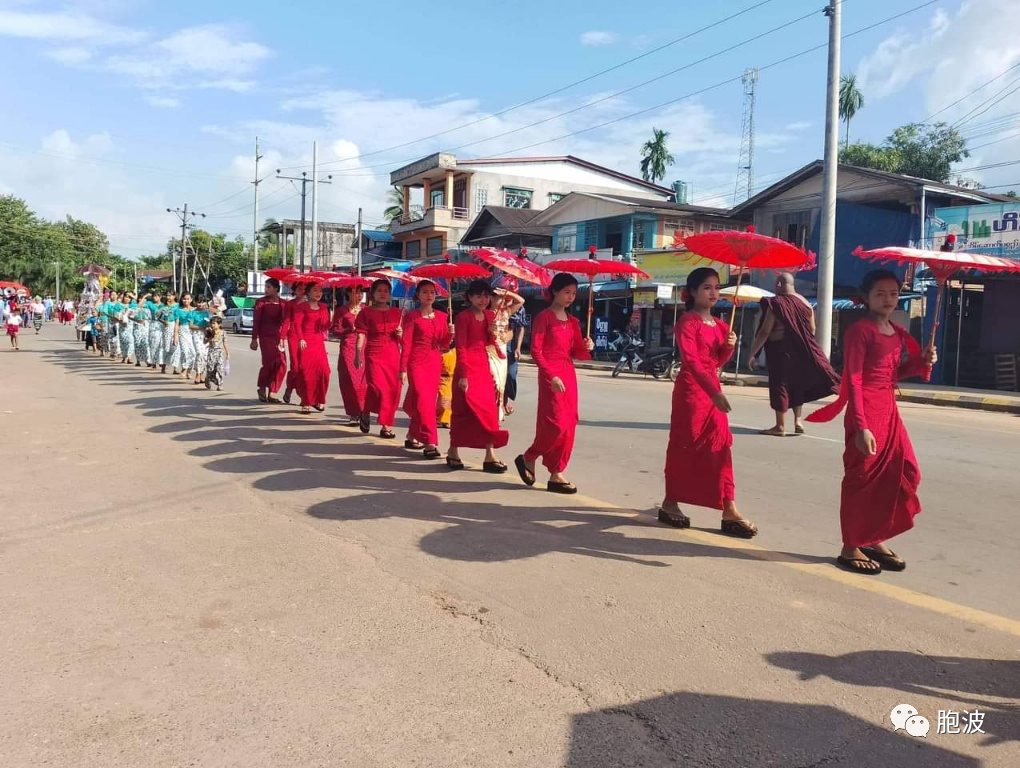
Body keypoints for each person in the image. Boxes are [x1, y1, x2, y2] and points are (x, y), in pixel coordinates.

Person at [806, 270, 936, 575]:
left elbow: (894, 373)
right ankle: (850, 545)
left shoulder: (896, 331)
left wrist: (922, 362)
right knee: (862, 479)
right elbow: (853, 377)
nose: (888, 299)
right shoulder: (860, 331)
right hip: (866, 410)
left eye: (893, 293)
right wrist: (862, 426)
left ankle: (873, 536)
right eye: (880, 293)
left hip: (889, 410)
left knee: (902, 472)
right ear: (866, 297)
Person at [660, 267, 758, 538]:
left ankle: (729, 507)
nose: (713, 292)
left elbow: (718, 362)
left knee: (721, 446)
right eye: (707, 287)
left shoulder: (722, 325)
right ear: (692, 292)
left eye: (716, 287)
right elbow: (691, 362)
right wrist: (712, 392)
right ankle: (670, 501)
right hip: (692, 391)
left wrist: (729, 345)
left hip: (713, 389)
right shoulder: (687, 323)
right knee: (685, 445)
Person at [514, 273, 594, 494]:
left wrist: (587, 345)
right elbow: (536, 352)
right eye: (566, 292)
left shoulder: (574, 321)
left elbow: (577, 352)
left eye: (573, 293)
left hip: (568, 374)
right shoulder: (544, 317)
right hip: (552, 375)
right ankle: (529, 456)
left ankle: (556, 472)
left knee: (569, 425)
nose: (570, 297)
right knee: (555, 424)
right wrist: (551, 376)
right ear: (555, 292)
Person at [747, 272, 839, 436]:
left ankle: (780, 426)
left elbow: (765, 331)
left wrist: (753, 353)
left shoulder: (777, 303)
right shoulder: (806, 303)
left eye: (776, 284)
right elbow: (812, 329)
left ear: (780, 285)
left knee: (780, 385)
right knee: (797, 385)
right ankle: (798, 420)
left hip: (781, 351)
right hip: (801, 351)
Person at [447, 280, 509, 472]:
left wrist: (491, 333)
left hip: (483, 367)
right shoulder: (463, 317)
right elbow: (461, 347)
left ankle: (490, 454)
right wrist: (463, 376)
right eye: (478, 296)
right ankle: (453, 451)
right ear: (470, 297)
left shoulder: (490, 315)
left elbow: (490, 343)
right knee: (463, 411)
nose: (483, 300)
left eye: (485, 295)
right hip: (466, 368)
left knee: (488, 411)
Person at [400, 280, 452, 459]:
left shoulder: (442, 317)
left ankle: (411, 435)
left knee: (426, 402)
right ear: (418, 295)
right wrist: (403, 368)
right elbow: (406, 344)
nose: (429, 295)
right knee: (424, 401)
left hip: (434, 362)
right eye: (425, 292)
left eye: (432, 292)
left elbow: (444, 345)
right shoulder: (411, 316)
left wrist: (450, 334)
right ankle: (430, 442)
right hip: (416, 363)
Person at [354, 279, 403, 438]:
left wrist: (401, 335)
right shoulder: (365, 313)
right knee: (377, 387)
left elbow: (405, 340)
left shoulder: (398, 313)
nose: (383, 294)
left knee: (393, 390)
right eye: (379, 290)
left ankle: (386, 426)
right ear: (373, 294)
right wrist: (357, 353)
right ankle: (366, 411)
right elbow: (361, 334)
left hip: (393, 354)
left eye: (386, 291)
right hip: (374, 353)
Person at [287, 282, 332, 414]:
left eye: (320, 291)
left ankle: (319, 399)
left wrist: (331, 319)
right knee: (306, 374)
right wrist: (301, 338)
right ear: (308, 292)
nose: (318, 293)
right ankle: (306, 402)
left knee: (324, 372)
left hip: (318, 342)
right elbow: (297, 324)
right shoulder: (302, 307)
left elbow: (324, 327)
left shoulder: (323, 307)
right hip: (305, 342)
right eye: (315, 290)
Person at [331, 284, 367, 425]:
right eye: (354, 292)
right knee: (351, 382)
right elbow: (335, 331)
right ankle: (353, 412)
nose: (358, 295)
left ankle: (364, 410)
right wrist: (348, 329)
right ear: (347, 294)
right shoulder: (341, 311)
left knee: (363, 382)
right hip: (348, 347)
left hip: (364, 347)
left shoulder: (366, 310)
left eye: (360, 292)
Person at [486, 287, 519, 422]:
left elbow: (521, 301)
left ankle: (498, 411)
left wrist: (508, 293)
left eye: (503, 298)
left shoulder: (506, 312)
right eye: (499, 297)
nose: (502, 300)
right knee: (493, 381)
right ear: (491, 298)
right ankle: (489, 411)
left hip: (503, 349)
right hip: (489, 350)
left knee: (501, 383)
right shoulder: (486, 313)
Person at [251, 278, 286, 403]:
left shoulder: (283, 303)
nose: (266, 289)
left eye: (269, 287)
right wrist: (254, 339)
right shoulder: (261, 302)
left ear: (276, 288)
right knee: (269, 363)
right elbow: (256, 322)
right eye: (265, 287)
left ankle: (272, 392)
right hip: (265, 336)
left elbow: (286, 320)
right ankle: (261, 388)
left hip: (278, 337)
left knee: (282, 363)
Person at [282, 282, 309, 404]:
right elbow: (287, 321)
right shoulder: (290, 304)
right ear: (295, 290)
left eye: (304, 289)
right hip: (294, 336)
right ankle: (289, 388)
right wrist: (282, 337)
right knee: (296, 366)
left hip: (308, 336)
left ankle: (305, 395)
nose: (302, 291)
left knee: (306, 367)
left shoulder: (311, 304)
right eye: (299, 289)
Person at [505, 304, 527, 416]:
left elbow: (520, 327)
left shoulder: (519, 307)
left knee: (511, 374)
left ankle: (505, 399)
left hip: (510, 346)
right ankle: (502, 403)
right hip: (494, 344)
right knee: (496, 377)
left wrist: (518, 347)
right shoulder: (493, 303)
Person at [171, 293, 196, 378]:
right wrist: (175, 336)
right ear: (181, 299)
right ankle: (184, 369)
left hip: (193, 332)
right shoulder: (178, 310)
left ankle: (189, 371)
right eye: (184, 299)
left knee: (193, 353)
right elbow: (177, 324)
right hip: (183, 331)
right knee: (185, 351)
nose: (186, 301)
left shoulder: (195, 310)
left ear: (191, 299)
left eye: (188, 299)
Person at [188, 297, 212, 386]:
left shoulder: (208, 313)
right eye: (199, 302)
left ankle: (202, 374)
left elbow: (213, 323)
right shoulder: (192, 313)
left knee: (205, 355)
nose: (201, 304)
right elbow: (190, 326)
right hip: (196, 334)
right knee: (199, 353)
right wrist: (202, 328)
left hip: (206, 335)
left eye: (203, 302)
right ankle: (197, 374)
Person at [204, 316, 230, 391]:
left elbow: (225, 343)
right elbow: (204, 341)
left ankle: (220, 384)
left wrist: (228, 353)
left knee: (220, 369)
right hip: (211, 353)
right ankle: (208, 379)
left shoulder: (223, 332)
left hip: (219, 353)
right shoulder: (208, 331)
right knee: (210, 369)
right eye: (211, 323)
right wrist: (211, 336)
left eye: (214, 323)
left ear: (219, 324)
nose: (212, 325)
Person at [157, 292, 177, 374]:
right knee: (167, 346)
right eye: (167, 295)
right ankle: (164, 365)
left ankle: (175, 368)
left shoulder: (178, 306)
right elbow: (158, 317)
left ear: (174, 296)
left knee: (176, 347)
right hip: (167, 326)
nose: (168, 297)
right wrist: (163, 322)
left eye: (170, 295)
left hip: (176, 325)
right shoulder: (163, 306)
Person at [437, 347, 456, 430]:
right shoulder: (439, 351)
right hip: (440, 377)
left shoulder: (456, 351)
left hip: (452, 378)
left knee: (449, 399)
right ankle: (440, 419)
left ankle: (446, 420)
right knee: (443, 399)